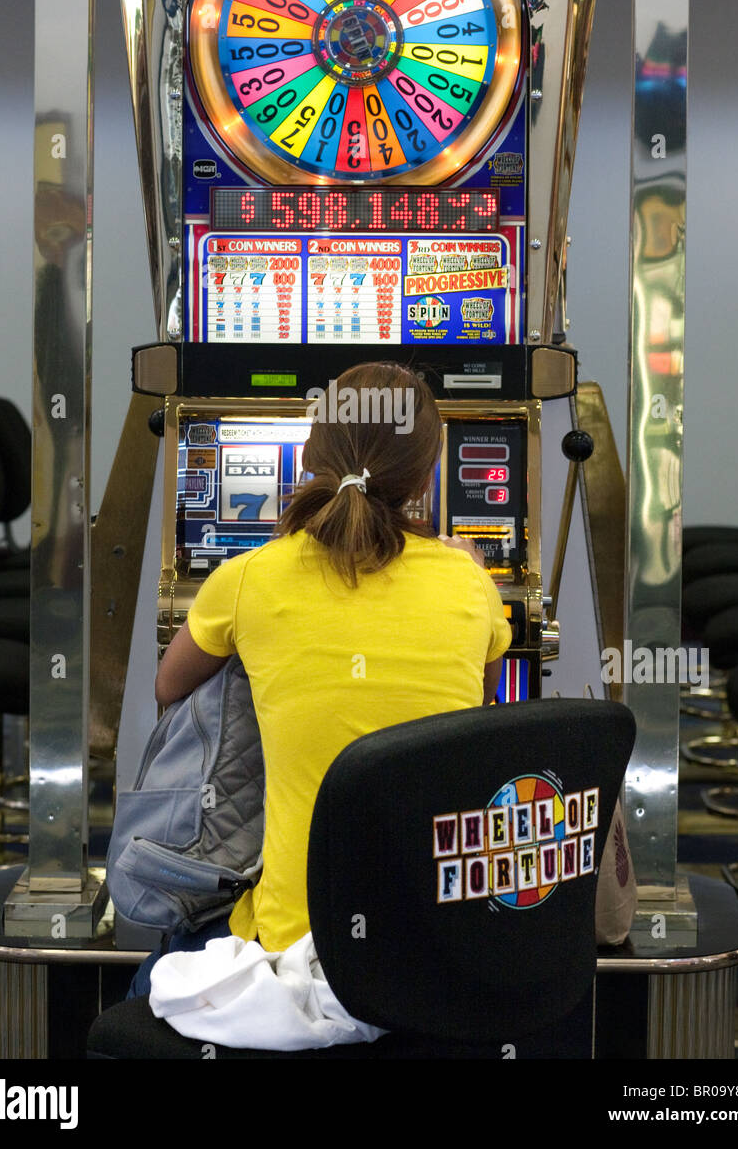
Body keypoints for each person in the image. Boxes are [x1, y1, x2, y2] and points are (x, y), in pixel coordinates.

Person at [141, 361, 512, 976]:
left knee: (146, 982)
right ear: (425, 475)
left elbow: (169, 688)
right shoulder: (472, 585)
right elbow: (481, 701)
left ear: (311, 450)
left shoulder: (248, 577)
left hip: (295, 943)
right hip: (441, 941)